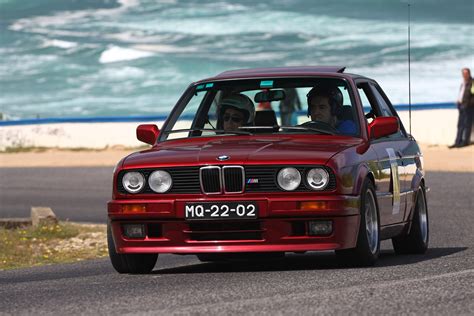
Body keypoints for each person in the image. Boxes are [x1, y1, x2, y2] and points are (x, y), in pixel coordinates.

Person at [450, 68, 474, 148]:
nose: (464, 75)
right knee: (460, 125)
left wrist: (468, 104)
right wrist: (458, 101)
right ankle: (457, 142)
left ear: (469, 74)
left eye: (465, 73)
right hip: (461, 106)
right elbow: (462, 93)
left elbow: (472, 95)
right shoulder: (463, 82)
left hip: (468, 107)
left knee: (467, 125)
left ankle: (465, 142)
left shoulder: (472, 82)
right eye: (463, 74)